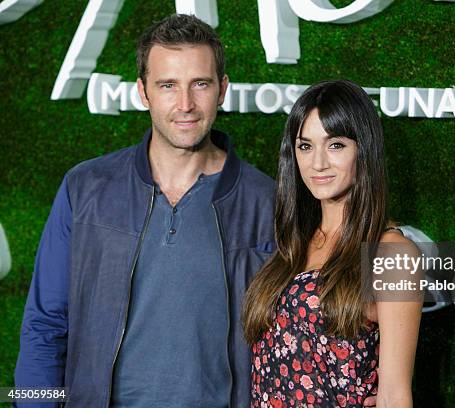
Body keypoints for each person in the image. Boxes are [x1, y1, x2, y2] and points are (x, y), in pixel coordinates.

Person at [15, 14, 276, 407]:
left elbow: (300, 331)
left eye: (200, 84)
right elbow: (45, 325)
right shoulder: (84, 188)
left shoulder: (267, 201)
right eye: (168, 85)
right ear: (143, 92)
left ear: (222, 89)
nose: (185, 104)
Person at [243, 80, 423, 407]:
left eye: (336, 145)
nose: (318, 163)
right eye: (305, 146)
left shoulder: (393, 253)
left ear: (363, 150)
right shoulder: (294, 246)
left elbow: (395, 394)